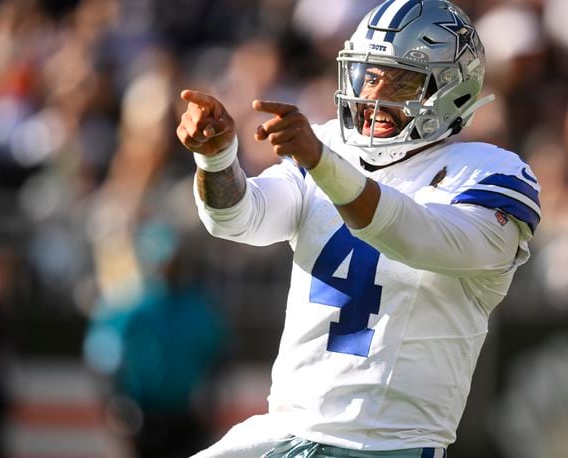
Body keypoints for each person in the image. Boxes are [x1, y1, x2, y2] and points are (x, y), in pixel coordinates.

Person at [177, 1, 541, 456]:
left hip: (386, 444)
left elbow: (413, 235)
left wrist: (322, 162)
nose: (374, 94)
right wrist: (215, 158)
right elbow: (238, 218)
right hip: (284, 430)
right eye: (369, 75)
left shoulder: (487, 175)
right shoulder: (328, 146)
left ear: (452, 91)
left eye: (401, 79)